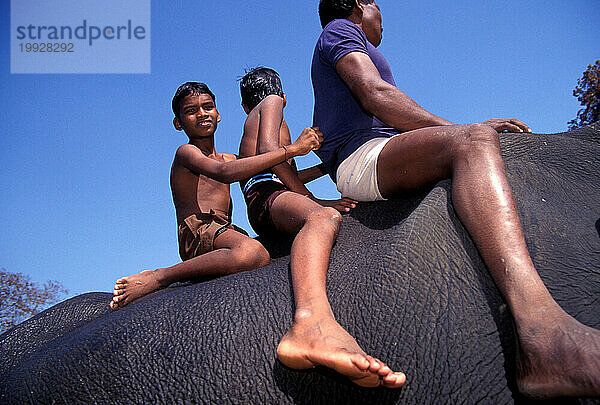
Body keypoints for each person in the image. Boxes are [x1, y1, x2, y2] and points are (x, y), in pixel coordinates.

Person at [312, 0, 600, 398]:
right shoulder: (340, 32)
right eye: (376, 3)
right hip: (364, 156)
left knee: (473, 140)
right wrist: (467, 130)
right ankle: (542, 333)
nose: (382, 15)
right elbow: (375, 94)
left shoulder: (344, 42)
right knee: (475, 141)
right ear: (360, 4)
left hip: (380, 147)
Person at [238, 67, 405, 388]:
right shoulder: (272, 102)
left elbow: (280, 168)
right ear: (282, 95)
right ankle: (310, 323)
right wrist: (315, 201)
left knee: (322, 210)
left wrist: (319, 168)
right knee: (322, 218)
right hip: (270, 196)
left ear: (245, 105)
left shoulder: (252, 117)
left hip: (265, 195)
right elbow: (275, 158)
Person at [109, 82, 321, 310]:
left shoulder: (230, 159)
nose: (202, 114)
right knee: (252, 253)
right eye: (191, 111)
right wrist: (292, 149)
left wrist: (326, 167)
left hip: (224, 231)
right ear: (178, 123)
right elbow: (225, 174)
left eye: (207, 107)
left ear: (218, 114)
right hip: (199, 230)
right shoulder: (186, 153)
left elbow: (268, 174)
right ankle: (160, 276)